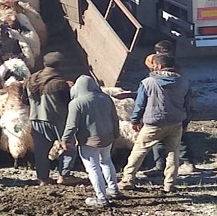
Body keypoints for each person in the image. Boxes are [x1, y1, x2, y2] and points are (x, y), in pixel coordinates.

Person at [119, 53, 192, 193]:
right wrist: (185, 122)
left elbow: (140, 104)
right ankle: (169, 184)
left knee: (139, 151)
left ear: (159, 66)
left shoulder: (148, 82)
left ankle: (127, 180)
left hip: (154, 124)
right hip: (176, 122)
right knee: (173, 153)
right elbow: (188, 105)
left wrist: (135, 120)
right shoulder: (184, 82)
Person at [62, 75, 121, 207]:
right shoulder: (106, 98)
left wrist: (65, 139)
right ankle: (114, 189)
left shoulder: (76, 103)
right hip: (107, 138)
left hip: (89, 141)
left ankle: (101, 198)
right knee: (106, 161)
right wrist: (116, 133)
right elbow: (114, 118)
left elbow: (72, 125)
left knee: (93, 168)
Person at [142, 40, 197, 176]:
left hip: (162, 110)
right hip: (179, 111)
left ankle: (160, 166)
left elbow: (150, 88)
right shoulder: (176, 68)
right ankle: (188, 164)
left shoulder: (162, 70)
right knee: (181, 138)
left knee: (158, 140)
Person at [23, 52, 78, 186]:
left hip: (36, 119)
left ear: (44, 64)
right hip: (57, 119)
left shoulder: (30, 79)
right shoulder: (59, 83)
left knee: (41, 151)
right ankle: (64, 175)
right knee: (68, 146)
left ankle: (43, 178)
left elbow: (24, 100)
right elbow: (69, 103)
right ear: (59, 66)